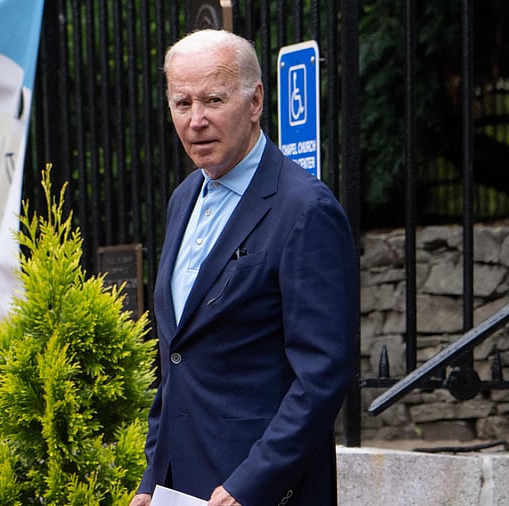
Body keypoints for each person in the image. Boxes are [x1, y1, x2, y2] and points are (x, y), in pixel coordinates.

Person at [130, 29, 359, 506]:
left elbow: (321, 377)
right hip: (181, 490)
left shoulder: (305, 209)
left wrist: (249, 486)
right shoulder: (183, 198)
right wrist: (151, 479)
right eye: (181, 103)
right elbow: (177, 361)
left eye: (213, 99)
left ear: (255, 101)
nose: (196, 121)